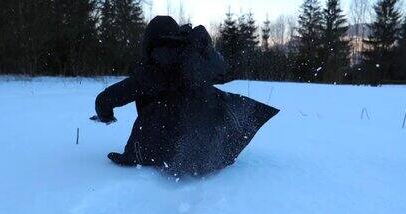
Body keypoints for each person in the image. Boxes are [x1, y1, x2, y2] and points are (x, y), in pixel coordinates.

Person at [91, 16, 279, 177]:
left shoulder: (154, 68)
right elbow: (223, 72)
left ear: (149, 42)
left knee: (164, 117)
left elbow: (106, 99)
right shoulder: (192, 60)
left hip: (171, 140)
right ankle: (207, 151)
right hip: (207, 133)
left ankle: (158, 156)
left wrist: (105, 115)